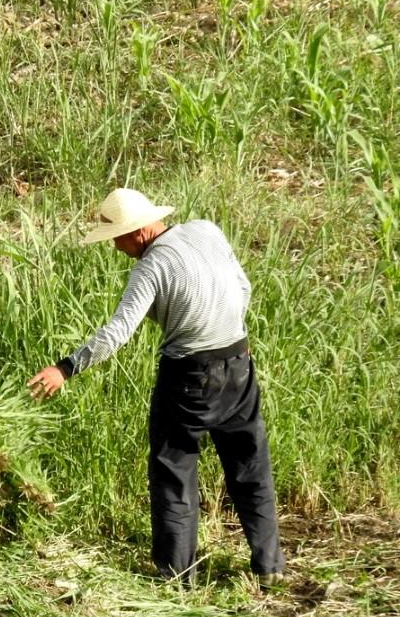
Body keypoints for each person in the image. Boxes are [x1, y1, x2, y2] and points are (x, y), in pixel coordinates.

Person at [27, 188, 285, 587]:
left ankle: (179, 576)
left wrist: (66, 368)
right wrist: (228, 330)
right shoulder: (205, 230)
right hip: (238, 364)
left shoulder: (151, 268)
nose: (115, 246)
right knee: (250, 464)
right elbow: (243, 286)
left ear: (139, 232)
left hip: (189, 379)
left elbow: (118, 332)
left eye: (117, 237)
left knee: (174, 470)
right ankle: (269, 567)